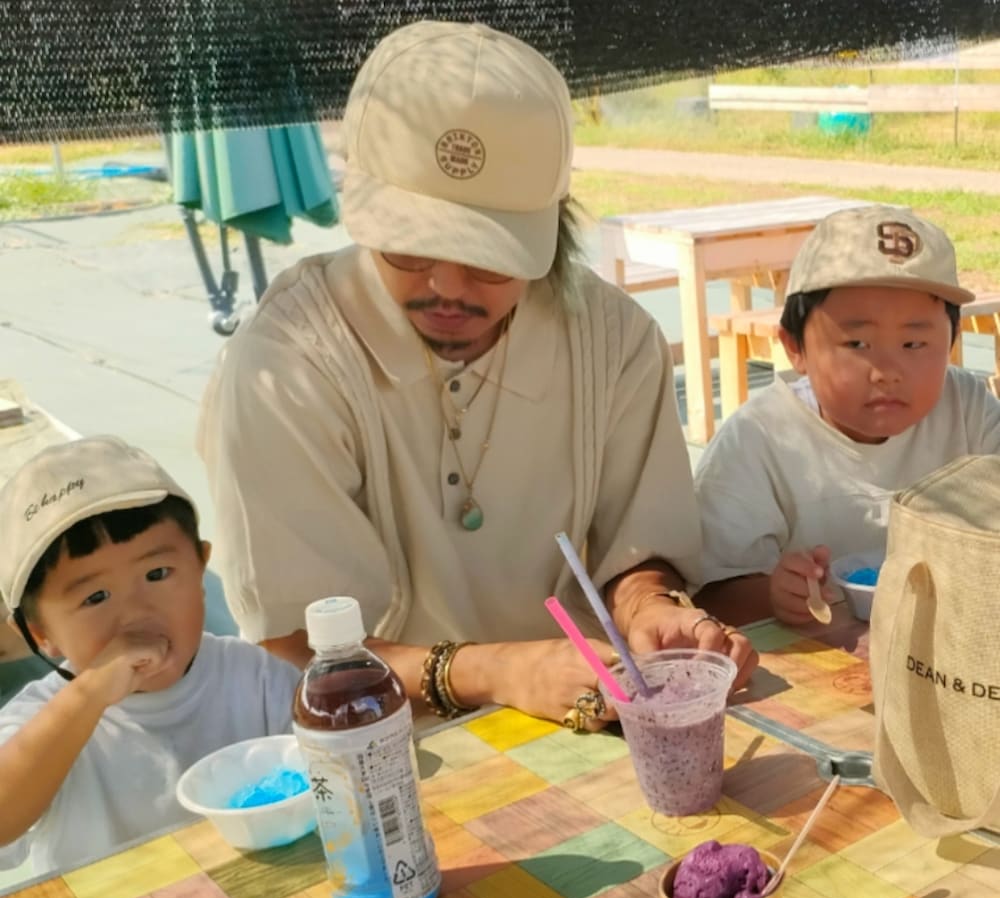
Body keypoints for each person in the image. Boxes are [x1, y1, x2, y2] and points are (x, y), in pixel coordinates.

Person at [196, 19, 755, 732]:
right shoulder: (283, 366)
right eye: (409, 248)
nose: (447, 288)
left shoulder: (612, 340)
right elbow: (302, 637)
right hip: (383, 734)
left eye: (490, 258)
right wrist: (500, 672)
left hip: (591, 706)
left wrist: (650, 606)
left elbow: (636, 552)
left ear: (553, 225)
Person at [0, 437, 301, 877]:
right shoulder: (41, 721)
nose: (136, 611)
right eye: (95, 597)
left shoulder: (257, 677)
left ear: (201, 568)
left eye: (157, 573)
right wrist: (90, 693)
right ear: (40, 633)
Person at [695, 205, 1000, 627]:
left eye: (913, 344)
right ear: (795, 348)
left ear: (951, 342)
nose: (887, 372)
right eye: (857, 344)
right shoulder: (758, 441)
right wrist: (773, 595)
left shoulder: (968, 409)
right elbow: (709, 592)